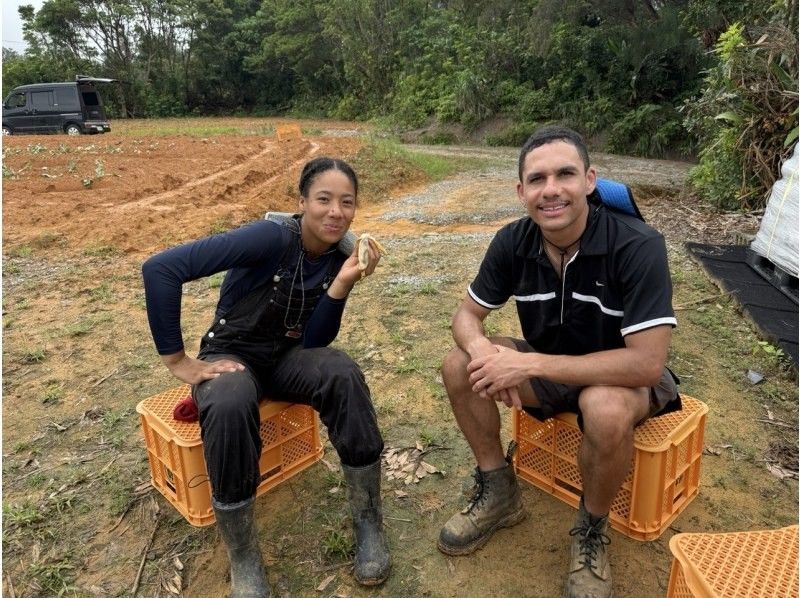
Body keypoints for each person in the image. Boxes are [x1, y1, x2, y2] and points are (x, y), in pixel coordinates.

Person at [436, 126, 679, 598]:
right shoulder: (513, 241)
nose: (552, 189)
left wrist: (528, 366)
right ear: (521, 191)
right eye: (538, 178)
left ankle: (590, 528)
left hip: (620, 378)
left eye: (565, 174)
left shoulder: (638, 245)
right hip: (552, 366)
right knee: (459, 365)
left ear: (589, 180)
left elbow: (647, 364)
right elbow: (467, 315)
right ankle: (499, 490)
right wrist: (486, 353)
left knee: (604, 407)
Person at [142, 157, 390, 597]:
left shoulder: (341, 255)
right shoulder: (269, 237)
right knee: (230, 398)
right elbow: (161, 268)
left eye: (346, 202)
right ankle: (243, 555)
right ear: (301, 202)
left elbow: (315, 338)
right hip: (232, 354)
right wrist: (179, 362)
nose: (336, 211)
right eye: (324, 199)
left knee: (342, 371)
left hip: (287, 358)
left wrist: (342, 284)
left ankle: (368, 520)